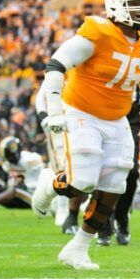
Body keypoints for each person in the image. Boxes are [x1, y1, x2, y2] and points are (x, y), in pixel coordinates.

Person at [31, 0, 140, 270]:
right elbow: (56, 65)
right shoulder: (98, 32)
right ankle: (49, 183)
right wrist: (55, 110)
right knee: (81, 182)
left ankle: (78, 249)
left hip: (117, 118)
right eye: (134, 6)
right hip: (81, 111)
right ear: (115, 7)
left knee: (114, 186)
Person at [97, 88, 140, 246]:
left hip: (130, 119)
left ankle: (121, 218)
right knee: (101, 172)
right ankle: (102, 224)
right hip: (100, 117)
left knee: (131, 172)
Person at [35, 79, 86, 235]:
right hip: (57, 123)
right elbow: (40, 97)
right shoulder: (58, 68)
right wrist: (44, 117)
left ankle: (61, 202)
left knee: (77, 167)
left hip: (78, 124)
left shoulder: (81, 69)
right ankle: (62, 209)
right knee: (61, 166)